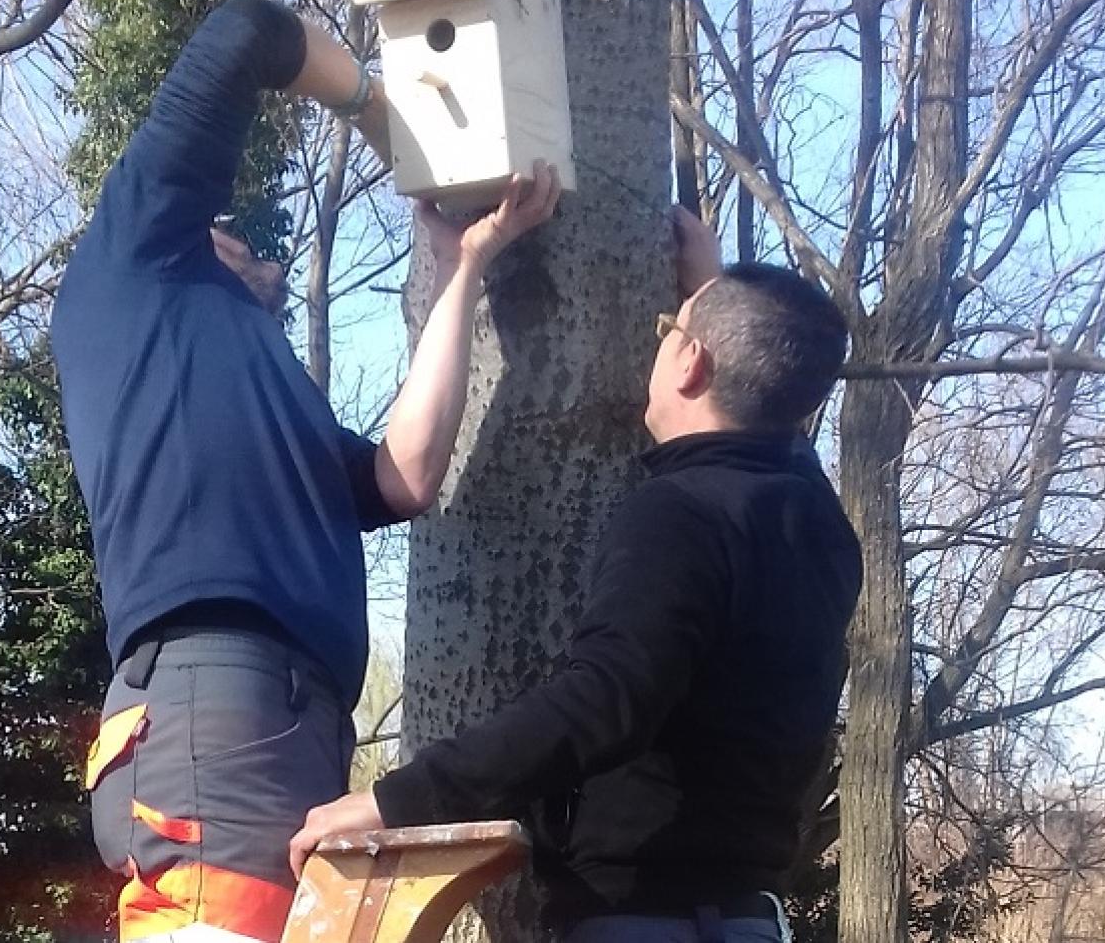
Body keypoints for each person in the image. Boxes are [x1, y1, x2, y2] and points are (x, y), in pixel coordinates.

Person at [51, 0, 560, 943]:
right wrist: (389, 118)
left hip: (269, 720)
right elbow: (245, 33)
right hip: (216, 706)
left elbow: (404, 475)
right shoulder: (132, 259)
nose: (257, 244)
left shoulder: (251, 376)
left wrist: (465, 271)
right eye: (232, 226)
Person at [290, 209, 862, 943]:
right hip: (747, 919)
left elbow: (606, 698)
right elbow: (774, 406)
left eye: (668, 332)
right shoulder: (818, 524)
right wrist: (717, 303)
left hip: (645, 921)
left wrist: (398, 801)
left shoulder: (682, 512)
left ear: (690, 363)